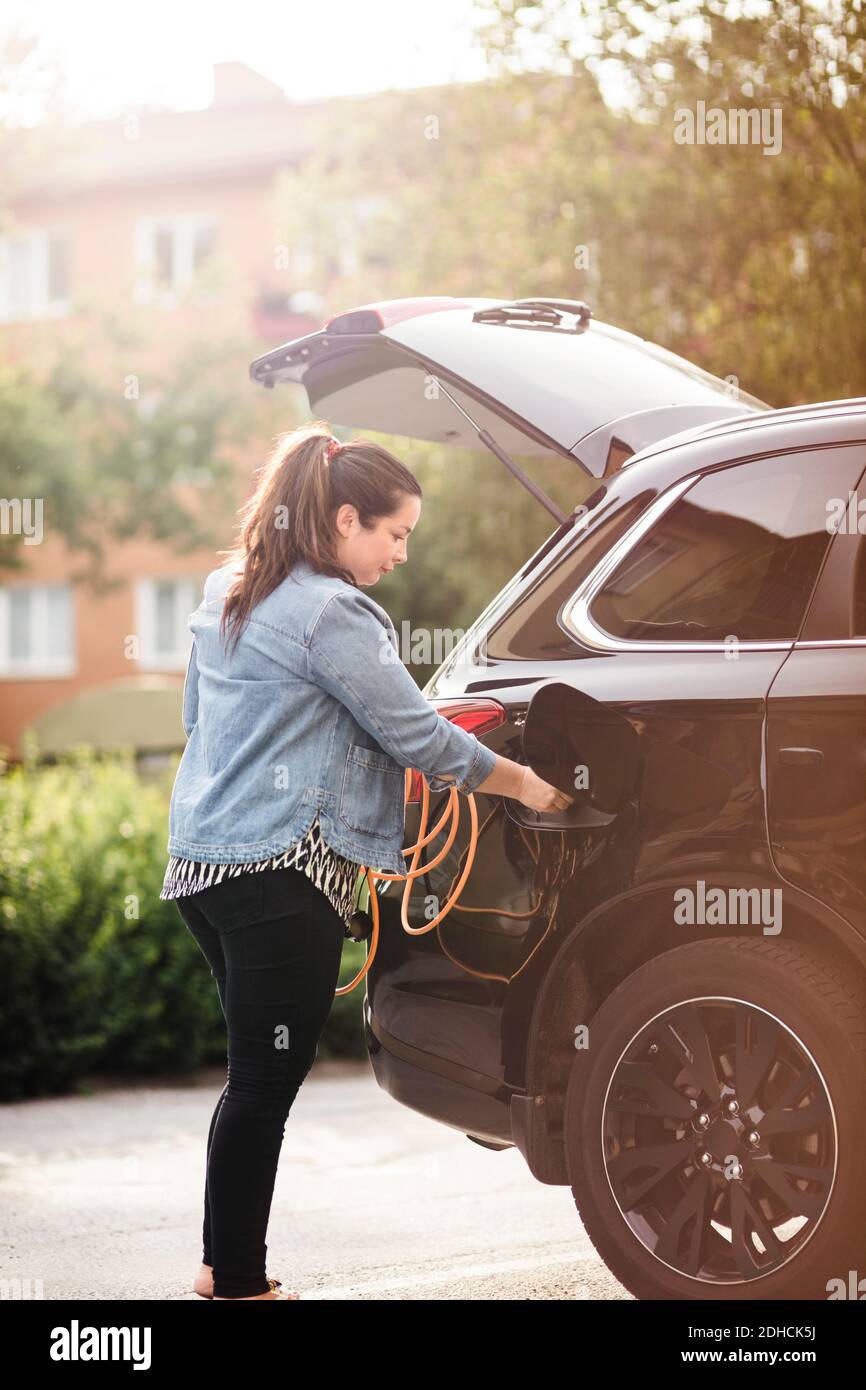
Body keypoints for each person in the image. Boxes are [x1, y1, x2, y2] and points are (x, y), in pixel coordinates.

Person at [163, 420, 573, 1300]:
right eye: (394, 535)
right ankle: (233, 1278)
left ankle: (221, 1265)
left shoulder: (227, 588)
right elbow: (417, 735)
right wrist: (527, 787)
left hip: (203, 865)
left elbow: (197, 722)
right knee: (265, 1078)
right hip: (279, 872)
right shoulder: (332, 612)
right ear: (345, 519)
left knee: (252, 1074)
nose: (400, 555)